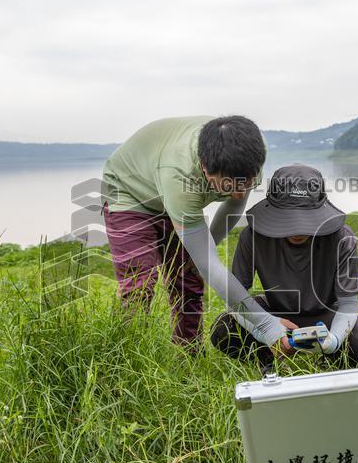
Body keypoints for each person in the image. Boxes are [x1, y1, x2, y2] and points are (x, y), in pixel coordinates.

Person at [100, 115, 293, 352]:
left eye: (246, 184)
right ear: (204, 168)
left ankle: (188, 354)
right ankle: (125, 356)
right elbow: (209, 265)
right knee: (139, 284)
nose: (238, 193)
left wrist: (205, 247)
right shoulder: (180, 177)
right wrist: (267, 326)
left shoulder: (249, 152)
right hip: (128, 192)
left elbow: (234, 206)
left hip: (167, 187)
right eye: (228, 187)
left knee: (188, 275)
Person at [210, 164, 358, 371]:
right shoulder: (252, 236)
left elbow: (348, 305)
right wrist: (267, 329)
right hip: (277, 314)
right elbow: (235, 299)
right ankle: (268, 362)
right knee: (224, 329)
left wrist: (333, 341)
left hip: (324, 316)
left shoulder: (342, 238)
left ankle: (327, 362)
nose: (297, 230)